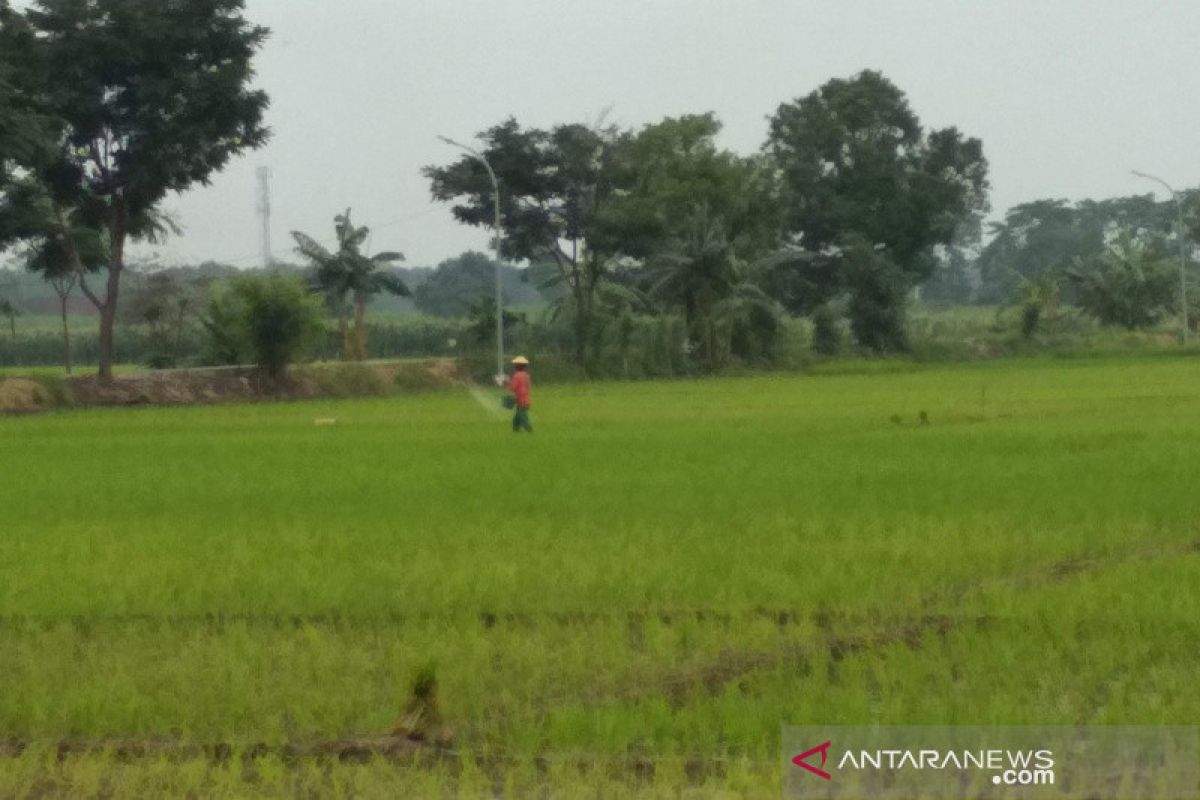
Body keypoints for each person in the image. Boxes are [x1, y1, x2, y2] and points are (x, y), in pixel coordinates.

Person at [506, 356, 533, 433]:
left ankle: (530, 432)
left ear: (517, 366)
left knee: (523, 419)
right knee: (516, 420)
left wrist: (506, 382)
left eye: (515, 364)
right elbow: (528, 387)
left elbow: (512, 388)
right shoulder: (526, 375)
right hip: (526, 400)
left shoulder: (516, 376)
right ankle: (516, 432)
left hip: (520, 401)